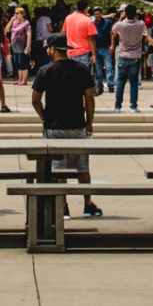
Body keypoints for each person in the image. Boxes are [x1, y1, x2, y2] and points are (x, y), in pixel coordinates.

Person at [31, 33, 102, 219]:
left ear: (52, 49)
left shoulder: (44, 70)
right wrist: (90, 122)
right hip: (77, 124)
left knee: (58, 167)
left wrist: (44, 117)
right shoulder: (81, 69)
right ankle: (87, 204)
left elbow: (35, 100)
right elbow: (90, 98)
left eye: (48, 48)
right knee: (82, 166)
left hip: (54, 126)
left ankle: (63, 206)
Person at [111, 4, 147, 114]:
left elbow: (113, 31)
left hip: (123, 54)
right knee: (134, 82)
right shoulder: (141, 24)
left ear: (125, 13)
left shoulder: (121, 25)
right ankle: (133, 105)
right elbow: (144, 35)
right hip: (135, 55)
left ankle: (118, 106)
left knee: (121, 81)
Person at [62, 0, 97, 71]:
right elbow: (92, 38)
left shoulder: (68, 18)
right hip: (83, 53)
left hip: (70, 52)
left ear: (76, 7)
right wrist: (94, 55)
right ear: (86, 8)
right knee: (82, 77)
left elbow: (63, 33)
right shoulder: (88, 20)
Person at [5, 6, 31, 86]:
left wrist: (28, 45)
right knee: (17, 63)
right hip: (14, 46)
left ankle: (24, 79)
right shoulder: (14, 22)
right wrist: (11, 20)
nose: (16, 15)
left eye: (17, 13)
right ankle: (20, 79)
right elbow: (7, 30)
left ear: (22, 14)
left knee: (22, 62)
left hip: (22, 46)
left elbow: (29, 34)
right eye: (15, 13)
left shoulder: (26, 23)